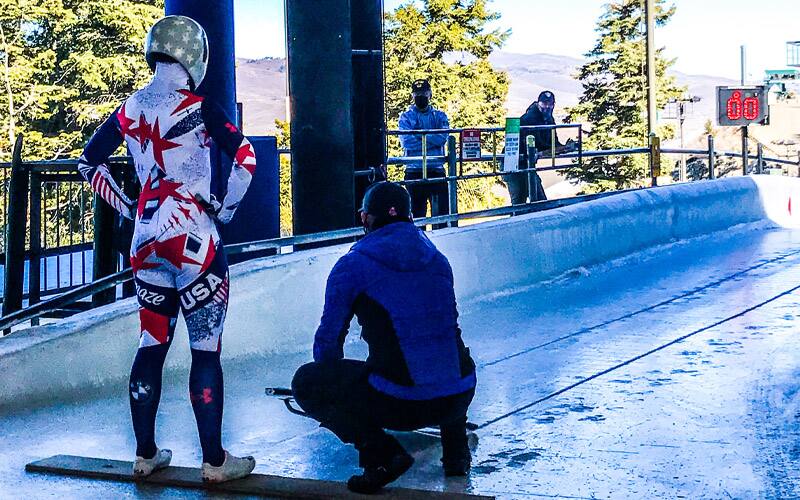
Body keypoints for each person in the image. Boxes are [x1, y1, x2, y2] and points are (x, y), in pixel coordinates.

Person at [77, 15, 257, 483]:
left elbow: (88, 161)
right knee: (205, 351)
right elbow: (246, 158)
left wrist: (127, 207)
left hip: (146, 238)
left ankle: (144, 453)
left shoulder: (130, 108)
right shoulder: (200, 107)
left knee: (151, 343)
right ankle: (215, 462)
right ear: (194, 54)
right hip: (195, 240)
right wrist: (224, 211)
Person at [291, 182, 476, 494]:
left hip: (401, 403)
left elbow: (328, 341)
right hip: (459, 395)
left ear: (366, 219)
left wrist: (336, 384)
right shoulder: (438, 260)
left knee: (307, 382)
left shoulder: (353, 264)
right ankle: (456, 454)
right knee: (440, 350)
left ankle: (381, 455)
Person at [507, 90, 575, 204]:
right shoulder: (529, 119)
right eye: (544, 103)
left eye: (550, 104)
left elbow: (552, 142)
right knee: (522, 201)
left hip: (527, 163)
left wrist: (564, 148)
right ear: (539, 103)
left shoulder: (548, 119)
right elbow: (537, 145)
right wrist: (557, 149)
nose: (547, 107)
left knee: (534, 200)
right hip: (514, 162)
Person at [398, 79, 451, 224]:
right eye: (417, 93)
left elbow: (443, 138)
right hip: (414, 171)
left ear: (430, 94)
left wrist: (418, 135)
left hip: (437, 170)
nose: (421, 96)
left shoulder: (440, 116)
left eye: (424, 93)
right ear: (412, 95)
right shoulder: (406, 117)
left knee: (441, 218)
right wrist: (430, 137)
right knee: (416, 218)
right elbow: (406, 142)